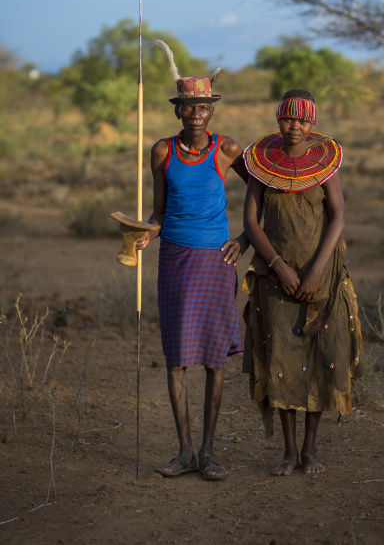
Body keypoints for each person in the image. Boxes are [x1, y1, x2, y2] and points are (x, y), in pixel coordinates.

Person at [137, 40, 249, 481]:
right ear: (178, 111)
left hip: (216, 260)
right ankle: (184, 452)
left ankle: (209, 452)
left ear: (212, 111)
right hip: (175, 260)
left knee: (214, 358)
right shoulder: (162, 151)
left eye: (203, 106)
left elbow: (257, 195)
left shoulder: (227, 150)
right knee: (177, 357)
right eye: (188, 106)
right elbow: (159, 211)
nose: (196, 113)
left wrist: (245, 238)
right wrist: (147, 232)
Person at [242, 89, 362, 476]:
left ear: (313, 124)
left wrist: (313, 272)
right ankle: (289, 452)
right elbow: (250, 224)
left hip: (321, 278)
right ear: (278, 119)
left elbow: (339, 218)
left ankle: (311, 450)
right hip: (276, 280)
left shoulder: (326, 164)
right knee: (281, 361)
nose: (296, 126)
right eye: (288, 119)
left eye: (303, 120)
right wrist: (279, 266)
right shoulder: (261, 164)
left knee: (321, 358)